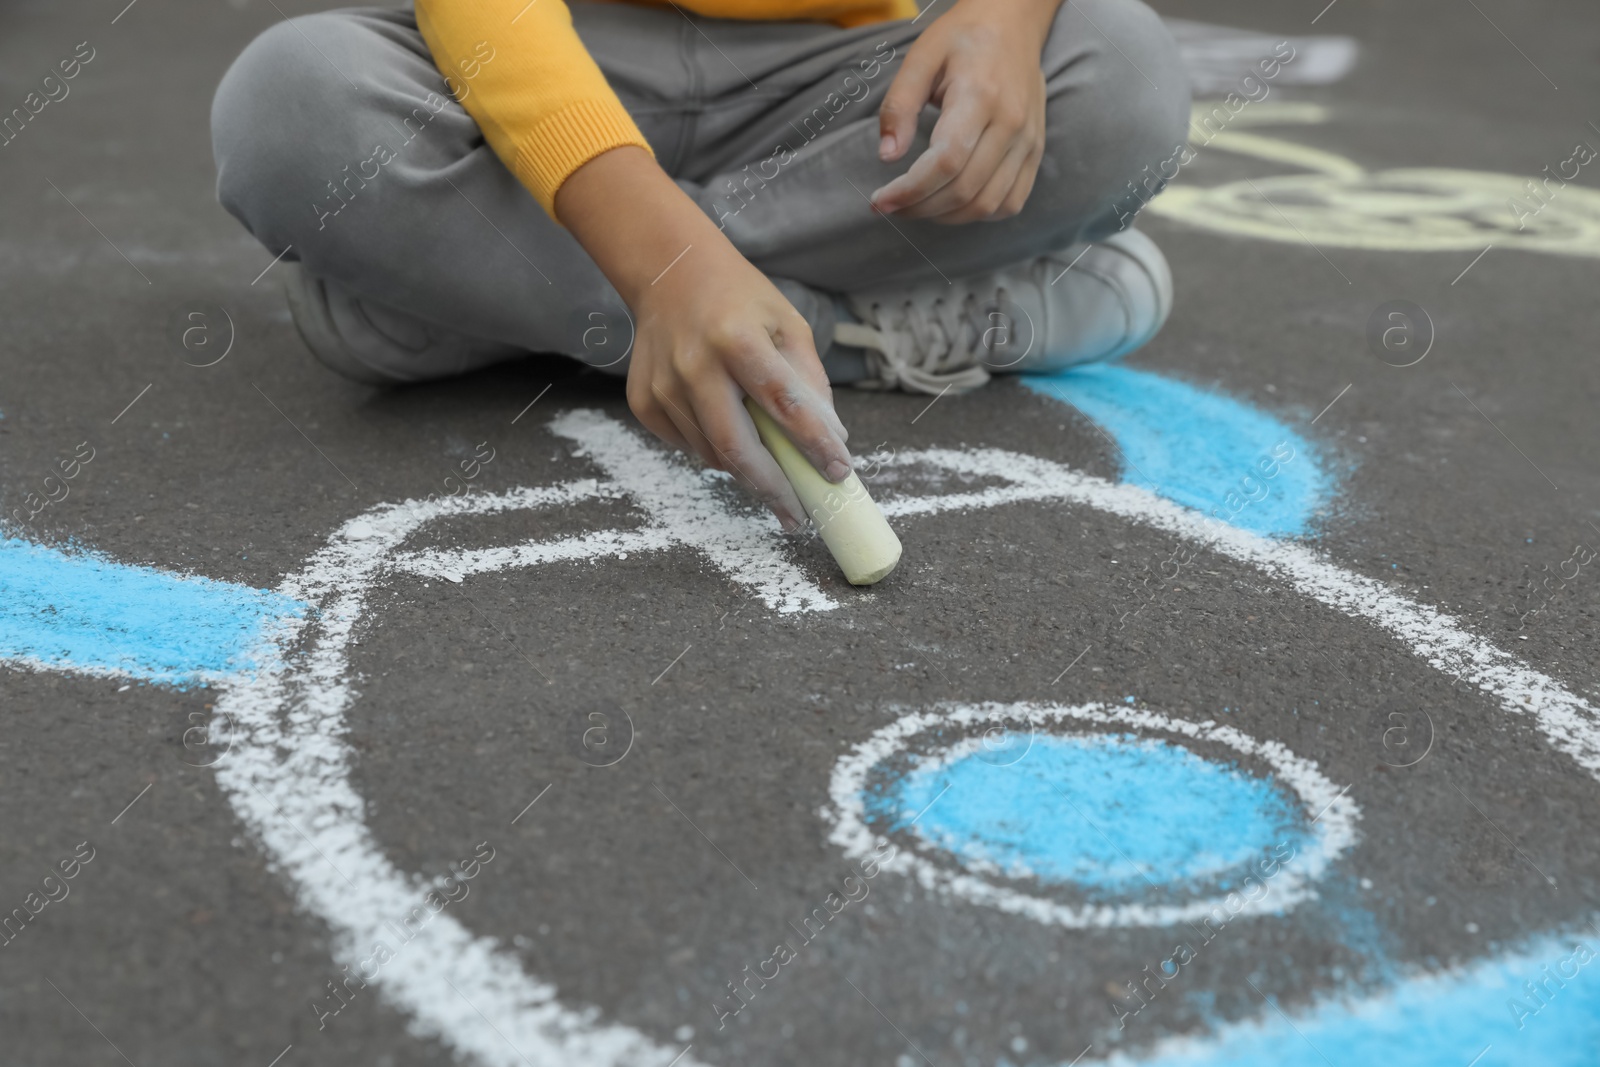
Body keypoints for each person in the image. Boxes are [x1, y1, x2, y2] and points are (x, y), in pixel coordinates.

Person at [211, 0, 1188, 530]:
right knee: (290, 105)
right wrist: (665, 260)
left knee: (1125, 79)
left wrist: (1006, 18)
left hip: (833, 79)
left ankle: (465, 306)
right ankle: (846, 327)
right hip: (549, 54)